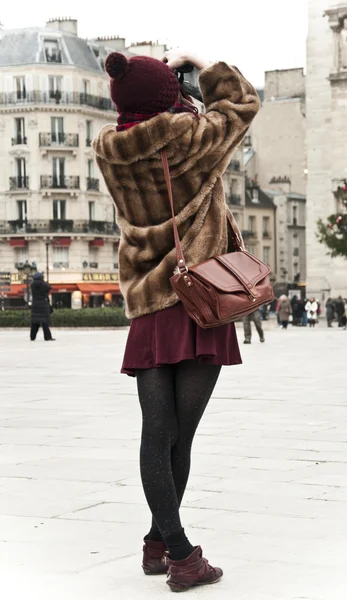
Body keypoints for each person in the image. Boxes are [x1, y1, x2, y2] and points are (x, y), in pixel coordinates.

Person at [93, 49, 260, 592]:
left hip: (149, 305)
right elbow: (241, 104)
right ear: (170, 94)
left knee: (155, 434)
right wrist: (201, 68)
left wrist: (163, 88)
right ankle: (182, 555)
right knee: (180, 437)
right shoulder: (191, 138)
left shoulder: (109, 153)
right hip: (200, 301)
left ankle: (156, 542)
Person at [30, 272, 55, 341]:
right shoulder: (43, 285)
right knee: (45, 323)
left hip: (35, 305)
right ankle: (47, 337)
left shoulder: (32, 285)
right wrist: (44, 281)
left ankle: (32, 336)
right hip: (44, 305)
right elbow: (49, 287)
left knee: (35, 322)